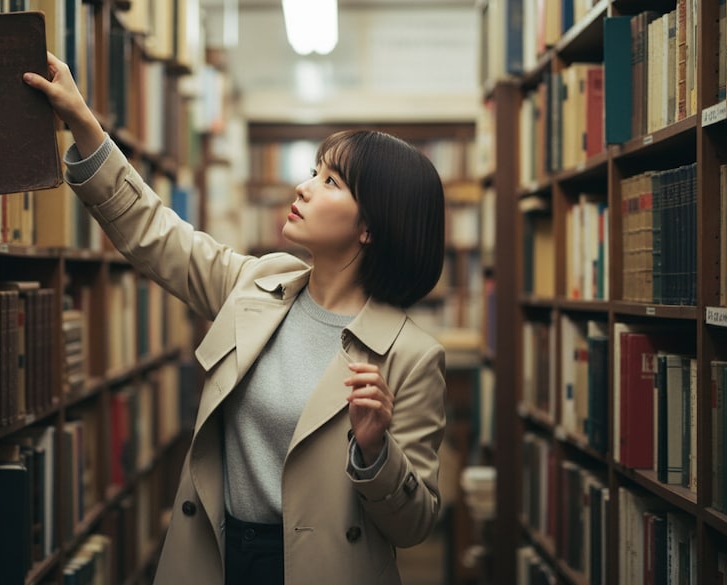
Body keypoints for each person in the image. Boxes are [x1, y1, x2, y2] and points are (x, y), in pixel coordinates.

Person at [24, 53, 448, 585]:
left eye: (332, 182)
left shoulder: (412, 355)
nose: (304, 187)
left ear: (371, 227)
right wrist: (85, 124)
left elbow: (416, 523)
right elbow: (155, 235)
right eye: (314, 172)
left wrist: (375, 451)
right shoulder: (258, 287)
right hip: (218, 556)